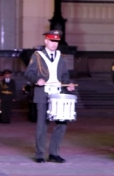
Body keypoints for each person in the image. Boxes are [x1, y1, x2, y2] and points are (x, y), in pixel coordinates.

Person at [24, 30, 76, 163]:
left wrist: (67, 84)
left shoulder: (61, 56)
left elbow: (64, 75)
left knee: (62, 123)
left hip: (58, 93)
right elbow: (28, 73)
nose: (54, 44)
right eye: (52, 41)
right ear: (46, 41)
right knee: (42, 125)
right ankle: (40, 154)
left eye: (56, 41)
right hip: (43, 94)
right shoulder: (37, 56)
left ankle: (54, 152)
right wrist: (37, 80)